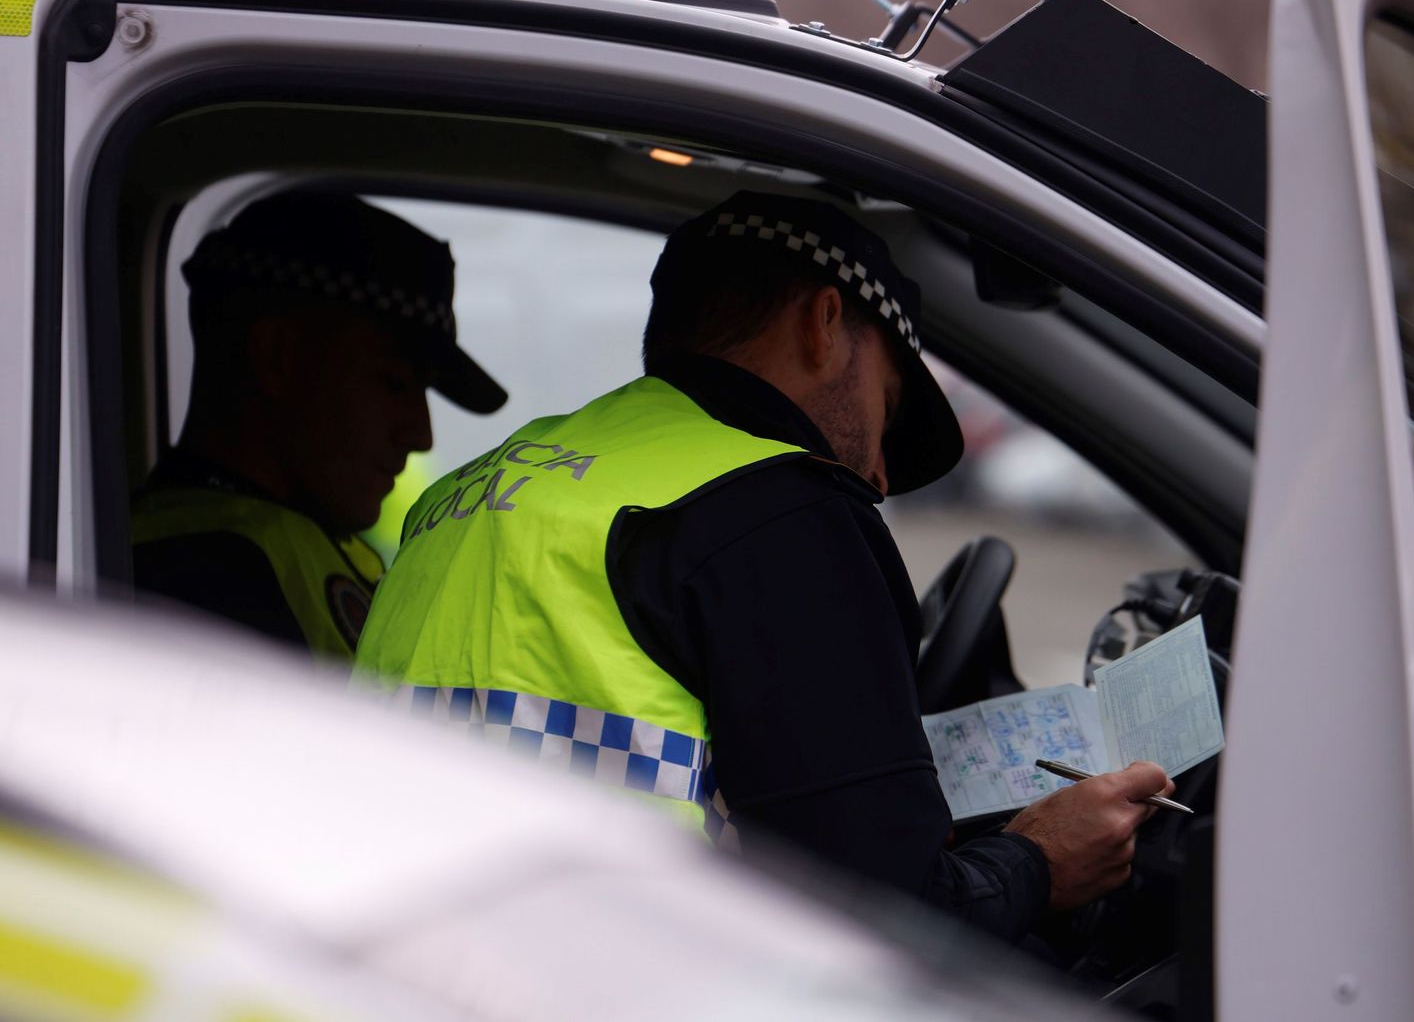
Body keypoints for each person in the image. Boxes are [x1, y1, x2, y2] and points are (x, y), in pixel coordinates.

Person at [356, 191, 1171, 942]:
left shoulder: (476, 489)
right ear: (824, 322)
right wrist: (1038, 862)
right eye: (887, 409)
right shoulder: (777, 509)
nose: (880, 478)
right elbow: (878, 924)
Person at [131, 191, 507, 660]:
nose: (421, 435)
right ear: (278, 358)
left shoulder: (284, 548)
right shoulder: (208, 581)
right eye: (393, 383)